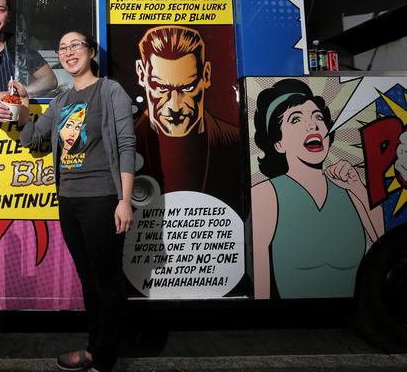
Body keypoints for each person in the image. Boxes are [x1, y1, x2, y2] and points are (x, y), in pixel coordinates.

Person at [13, 31, 135, 372]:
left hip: (101, 200)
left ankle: (105, 359)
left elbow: (126, 146)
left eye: (76, 46)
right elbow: (33, 138)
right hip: (68, 202)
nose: (69, 52)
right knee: (89, 280)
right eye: (62, 48)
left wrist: (124, 200)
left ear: (91, 52)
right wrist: (21, 110)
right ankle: (94, 348)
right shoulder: (62, 100)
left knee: (108, 283)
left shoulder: (111, 91)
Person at [251, 78, 385, 299]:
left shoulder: (350, 188)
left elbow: (387, 247)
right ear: (278, 143)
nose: (312, 125)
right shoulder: (266, 194)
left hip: (352, 319)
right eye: (296, 119)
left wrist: (358, 188)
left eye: (318, 117)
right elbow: (261, 290)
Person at [134, 25, 240, 208]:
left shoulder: (235, 142)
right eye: (161, 88)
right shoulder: (126, 142)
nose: (175, 105)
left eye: (188, 88)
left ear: (206, 75)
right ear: (142, 74)